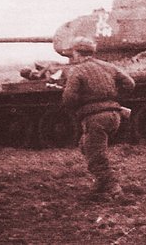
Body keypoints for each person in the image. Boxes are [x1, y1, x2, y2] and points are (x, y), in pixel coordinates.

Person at [61, 36, 136, 200]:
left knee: (96, 156)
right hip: (115, 115)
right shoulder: (108, 66)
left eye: (73, 53)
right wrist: (112, 99)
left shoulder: (77, 70)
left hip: (95, 118)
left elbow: (69, 99)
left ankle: (114, 190)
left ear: (76, 53)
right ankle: (99, 186)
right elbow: (130, 83)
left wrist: (83, 103)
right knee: (85, 146)